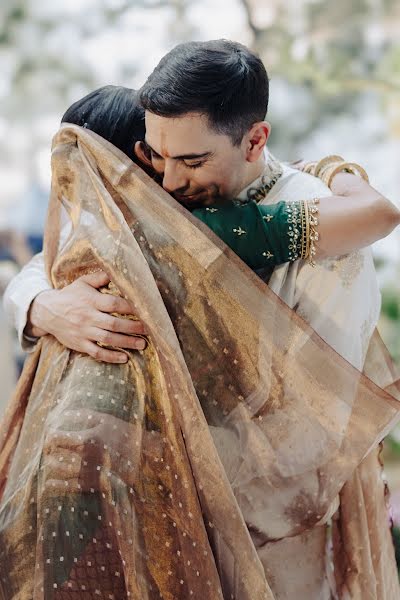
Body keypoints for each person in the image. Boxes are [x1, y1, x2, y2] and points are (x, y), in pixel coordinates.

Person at [2, 44, 400, 600]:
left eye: (191, 162)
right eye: (157, 156)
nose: (166, 183)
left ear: (255, 139)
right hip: (155, 529)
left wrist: (150, 452)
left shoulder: (321, 234)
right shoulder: (165, 192)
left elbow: (312, 436)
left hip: (274, 543)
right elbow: (50, 262)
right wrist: (46, 306)